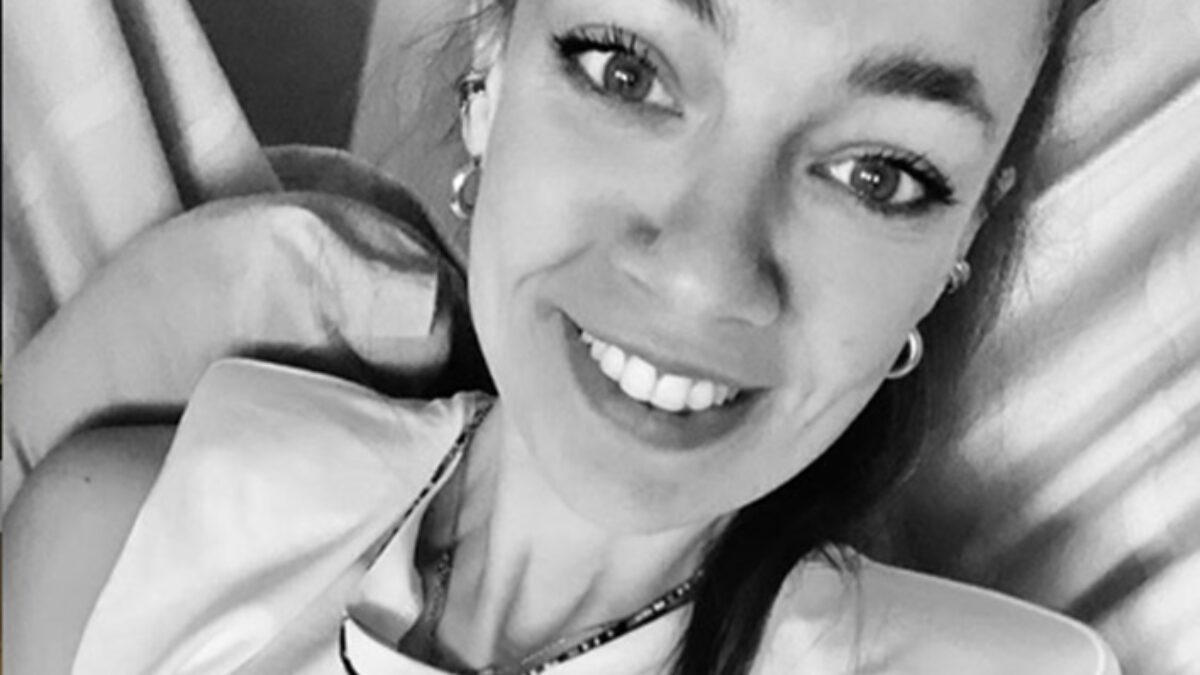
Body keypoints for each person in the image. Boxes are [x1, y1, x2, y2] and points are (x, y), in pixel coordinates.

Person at [4, 0, 1123, 673]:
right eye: (625, 71)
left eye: (881, 174)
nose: (704, 273)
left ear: (963, 239)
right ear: (491, 66)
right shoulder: (125, 544)